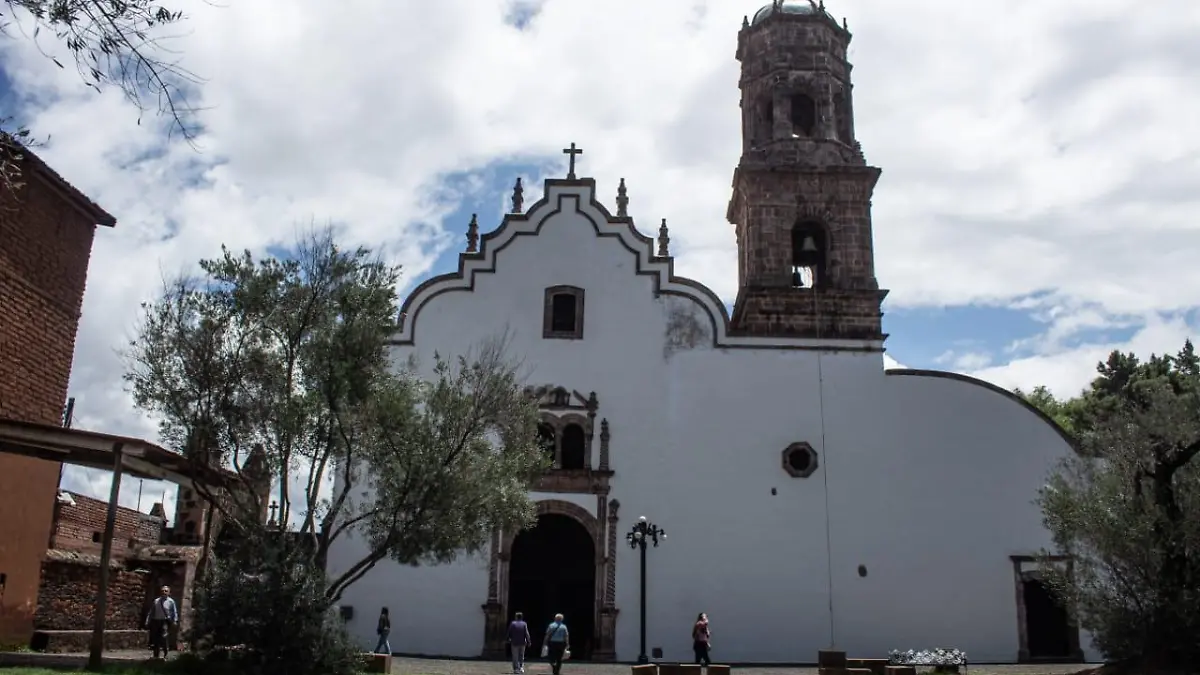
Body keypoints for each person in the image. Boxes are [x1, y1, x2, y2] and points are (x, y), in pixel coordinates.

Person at [144, 585, 178, 660]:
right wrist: (148, 620)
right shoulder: (156, 601)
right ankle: (156, 655)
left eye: (166, 591)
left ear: (169, 592)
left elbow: (174, 612)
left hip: (165, 621)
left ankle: (165, 651)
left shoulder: (171, 602)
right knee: (156, 638)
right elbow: (151, 612)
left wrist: (175, 620)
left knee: (163, 637)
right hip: (156, 620)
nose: (164, 592)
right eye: (162, 591)